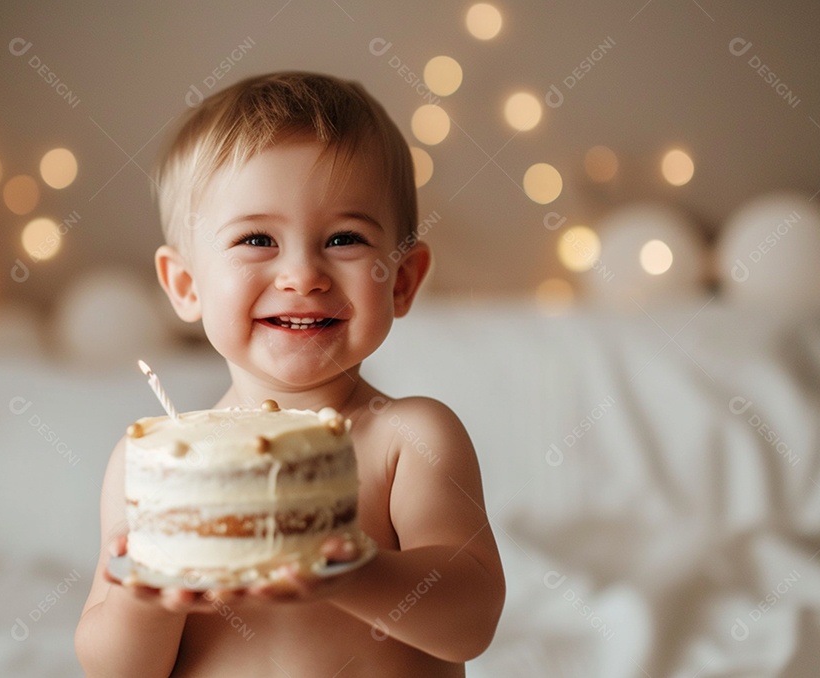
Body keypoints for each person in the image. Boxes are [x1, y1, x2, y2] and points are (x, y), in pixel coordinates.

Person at [75, 71, 505, 677]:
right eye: (257, 238)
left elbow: (472, 621)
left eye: (344, 238)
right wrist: (143, 601)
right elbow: (115, 669)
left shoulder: (407, 439)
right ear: (186, 285)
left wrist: (350, 570)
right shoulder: (156, 460)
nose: (303, 275)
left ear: (402, 280)